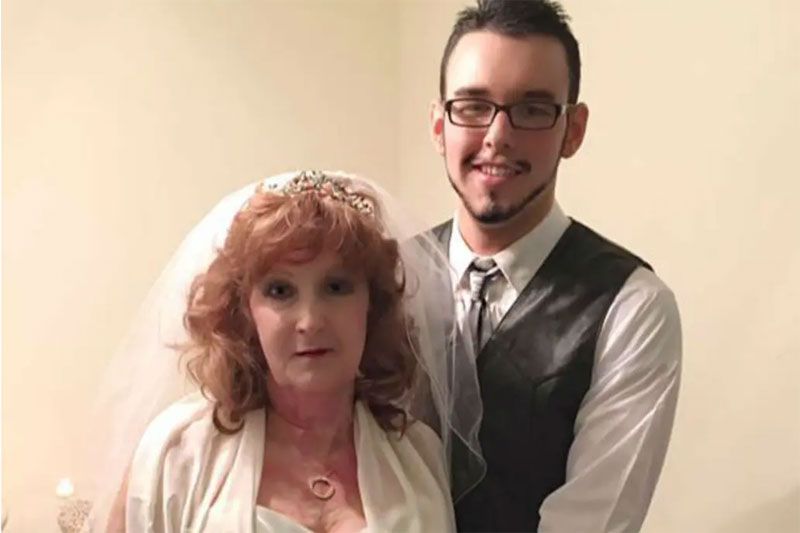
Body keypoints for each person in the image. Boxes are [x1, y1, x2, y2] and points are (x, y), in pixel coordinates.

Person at [85, 171, 481, 532]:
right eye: (280, 291)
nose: (310, 321)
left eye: (336, 287)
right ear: (246, 310)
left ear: (371, 304)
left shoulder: (416, 457)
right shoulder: (177, 454)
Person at [427, 1, 682, 531]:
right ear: (438, 125)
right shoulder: (384, 277)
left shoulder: (631, 307)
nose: (498, 135)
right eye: (472, 106)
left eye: (533, 109)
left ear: (573, 129)